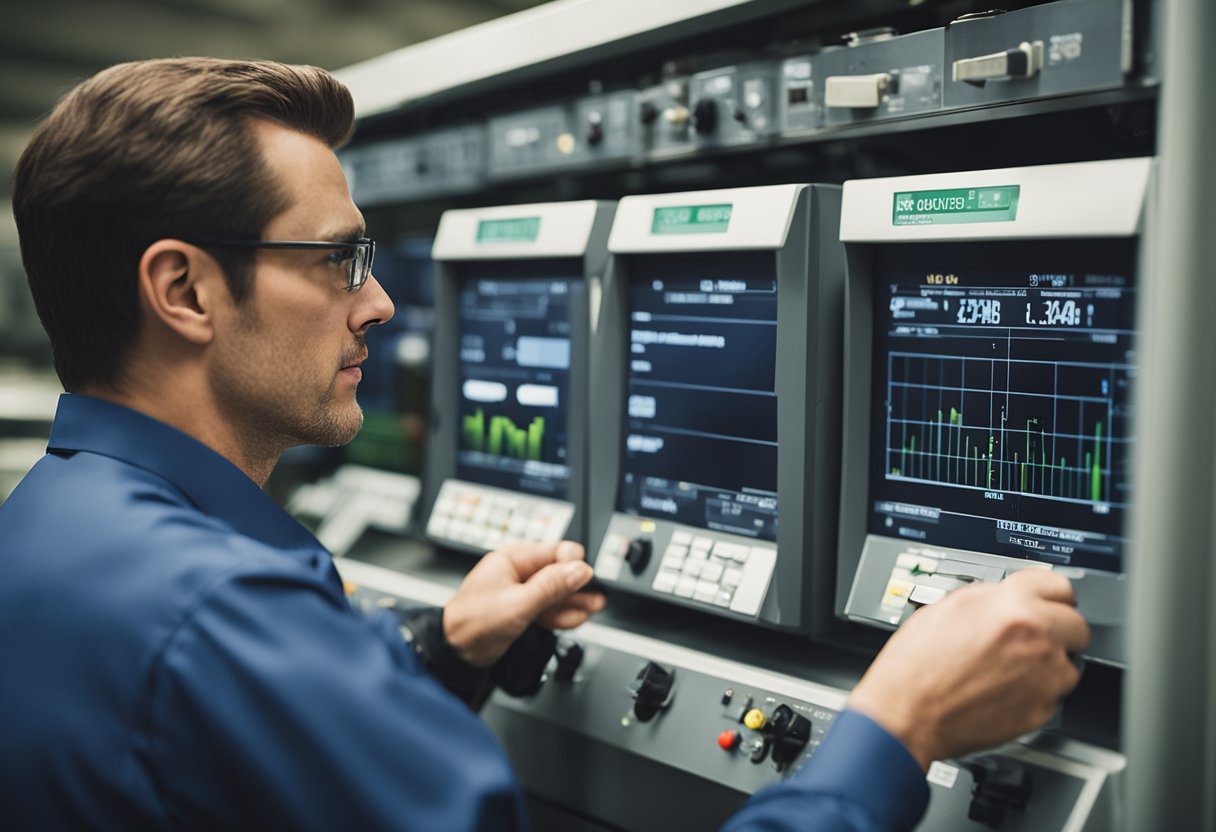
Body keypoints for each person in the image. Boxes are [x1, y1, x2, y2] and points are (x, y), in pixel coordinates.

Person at [0, 58, 1089, 831]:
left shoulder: (50, 528)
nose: (378, 303)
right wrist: (895, 728)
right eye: (337, 260)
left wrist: (439, 652)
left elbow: (213, 756)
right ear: (182, 289)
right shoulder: (225, 608)